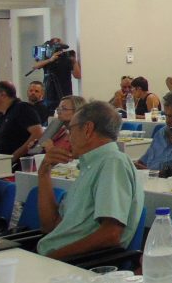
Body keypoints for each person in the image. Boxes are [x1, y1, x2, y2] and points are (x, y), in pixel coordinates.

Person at [35, 101, 144, 259]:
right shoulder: (90, 165)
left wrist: (53, 258)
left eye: (70, 129)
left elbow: (111, 235)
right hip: (56, 257)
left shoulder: (112, 163)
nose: (68, 137)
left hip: (78, 263)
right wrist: (44, 173)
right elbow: (51, 226)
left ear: (87, 129)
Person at [0, 81, 42, 166]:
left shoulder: (22, 108)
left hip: (16, 165)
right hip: (1, 163)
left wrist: (13, 158)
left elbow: (38, 134)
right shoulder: (4, 114)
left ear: (2, 95)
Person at [30, 37, 81, 111]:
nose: (59, 49)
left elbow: (77, 75)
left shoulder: (66, 58)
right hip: (50, 93)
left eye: (61, 47)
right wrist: (50, 60)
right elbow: (35, 66)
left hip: (65, 93)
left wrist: (74, 61)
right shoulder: (47, 58)